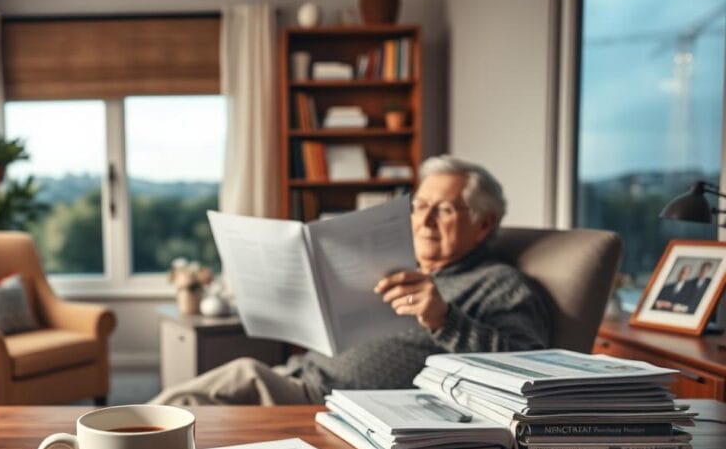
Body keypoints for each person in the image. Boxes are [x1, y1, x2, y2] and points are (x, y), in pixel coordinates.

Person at [149, 155, 551, 406]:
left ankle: (105, 446)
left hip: (336, 403)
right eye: (420, 206)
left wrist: (445, 320)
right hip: (302, 375)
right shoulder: (391, 263)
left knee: (214, 390)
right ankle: (108, 443)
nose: (425, 221)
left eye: (443, 210)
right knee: (204, 397)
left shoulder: (498, 283)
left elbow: (528, 371)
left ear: (484, 224)